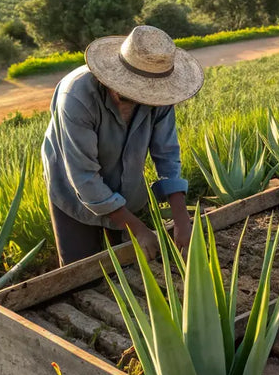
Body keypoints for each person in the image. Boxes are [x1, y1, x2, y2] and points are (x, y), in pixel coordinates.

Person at [42, 25, 204, 266]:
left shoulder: (160, 97)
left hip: (127, 188)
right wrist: (139, 229)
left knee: (128, 264)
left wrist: (182, 220)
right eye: (131, 94)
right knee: (81, 270)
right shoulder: (76, 97)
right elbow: (83, 176)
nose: (141, 101)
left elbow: (167, 154)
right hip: (73, 192)